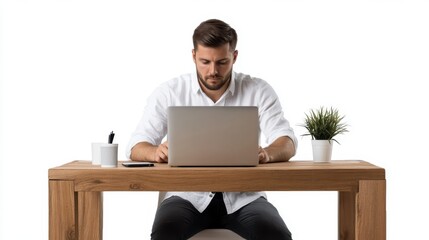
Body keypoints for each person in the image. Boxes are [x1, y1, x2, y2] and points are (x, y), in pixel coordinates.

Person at [126, 19, 297, 240]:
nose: (213, 71)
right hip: (185, 197)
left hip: (244, 196)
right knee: (165, 234)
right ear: (193, 56)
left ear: (234, 57)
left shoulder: (258, 90)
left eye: (222, 62)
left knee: (277, 235)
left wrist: (267, 153)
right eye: (205, 61)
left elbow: (287, 142)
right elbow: (135, 146)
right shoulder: (169, 92)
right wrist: (154, 152)